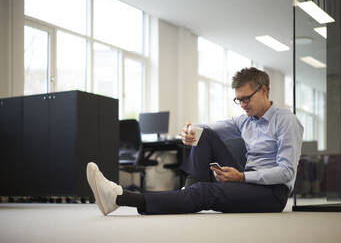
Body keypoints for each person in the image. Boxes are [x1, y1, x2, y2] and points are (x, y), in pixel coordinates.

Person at [86, 67, 304, 215]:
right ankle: (187, 194)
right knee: (203, 134)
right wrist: (189, 132)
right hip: (245, 181)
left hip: (272, 194)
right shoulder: (244, 120)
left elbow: (286, 172)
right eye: (239, 100)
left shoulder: (286, 121)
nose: (243, 105)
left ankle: (120, 198)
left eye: (246, 98)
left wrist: (243, 176)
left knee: (204, 192)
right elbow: (205, 129)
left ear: (264, 90)